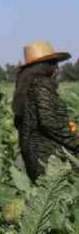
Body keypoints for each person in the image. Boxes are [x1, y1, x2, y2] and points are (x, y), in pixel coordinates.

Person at [13, 40, 79, 181]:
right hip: (49, 156)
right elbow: (49, 122)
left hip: (32, 153)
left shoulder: (25, 87)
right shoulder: (41, 86)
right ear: (45, 66)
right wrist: (74, 140)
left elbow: (24, 121)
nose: (57, 69)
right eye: (54, 63)